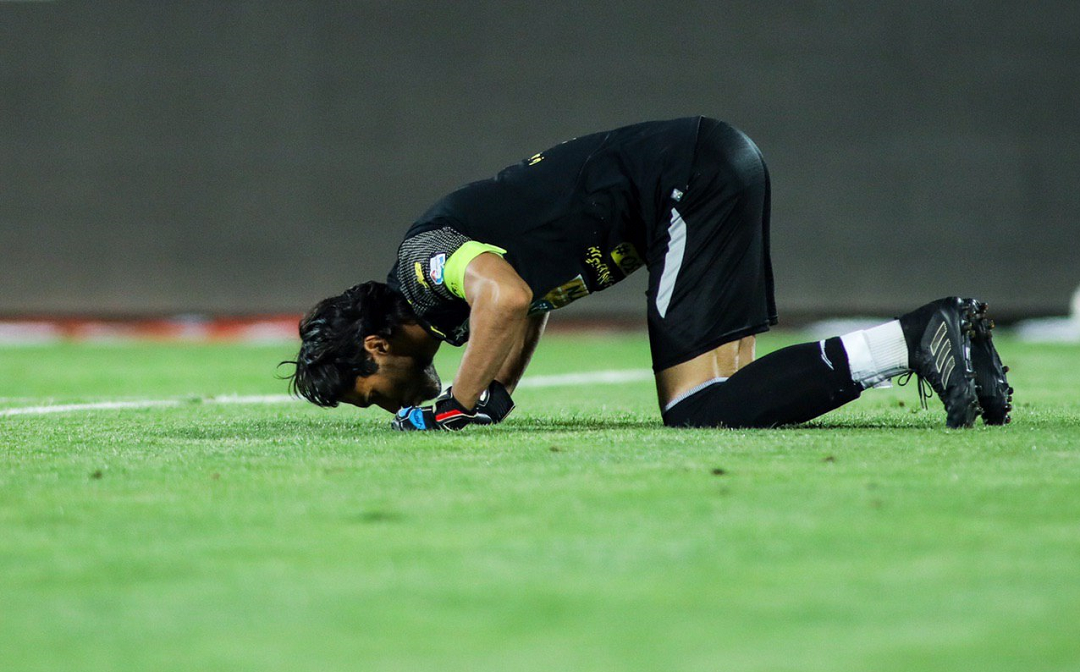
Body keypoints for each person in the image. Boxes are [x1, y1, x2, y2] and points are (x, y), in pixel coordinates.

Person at [286, 117, 1012, 430]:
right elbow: (526, 303)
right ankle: (953, 337)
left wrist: (458, 402)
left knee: (696, 408)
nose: (381, 405)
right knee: (728, 400)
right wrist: (497, 392)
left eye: (366, 395)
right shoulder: (439, 300)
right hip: (704, 166)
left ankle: (919, 335)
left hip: (685, 182)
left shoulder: (421, 264)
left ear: (376, 346)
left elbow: (505, 297)